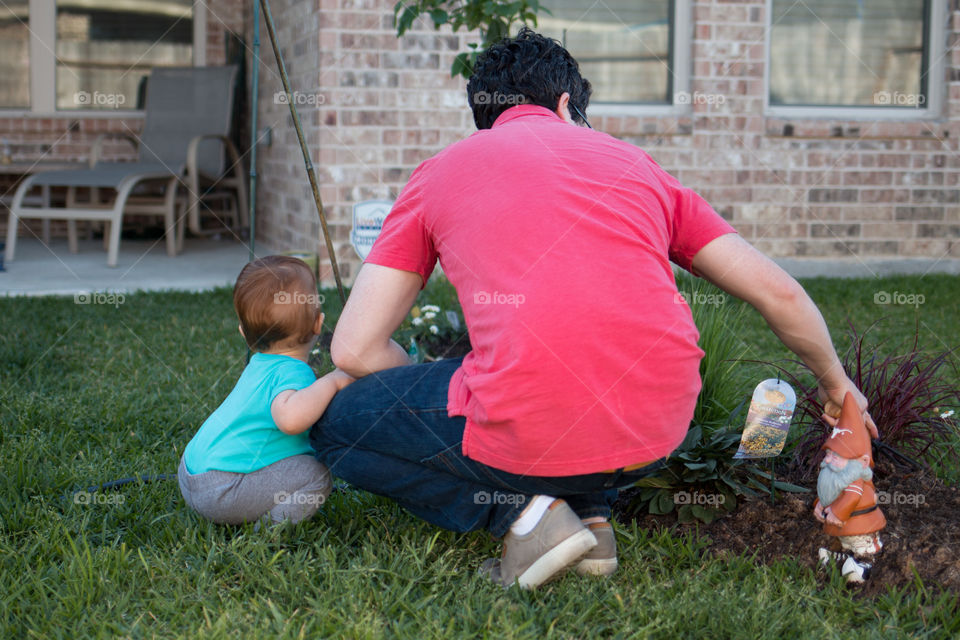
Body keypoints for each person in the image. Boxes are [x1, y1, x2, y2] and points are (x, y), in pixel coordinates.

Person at [309, 28, 876, 589]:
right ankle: (592, 523)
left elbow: (354, 349)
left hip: (533, 423)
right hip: (658, 430)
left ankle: (527, 518)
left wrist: (425, 396)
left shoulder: (443, 170)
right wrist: (835, 384)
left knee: (335, 428)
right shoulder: (638, 164)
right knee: (577, 375)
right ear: (564, 104)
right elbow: (777, 292)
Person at [179, 256, 353, 526]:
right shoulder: (293, 372)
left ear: (242, 332)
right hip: (223, 490)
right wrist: (332, 381)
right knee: (316, 475)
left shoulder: (258, 364)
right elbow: (290, 420)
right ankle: (267, 529)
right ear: (318, 324)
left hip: (190, 471)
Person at [814, 392, 885, 583]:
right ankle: (844, 560)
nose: (828, 460)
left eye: (836, 457)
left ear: (861, 461)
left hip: (861, 526)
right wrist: (820, 504)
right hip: (844, 528)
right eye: (828, 454)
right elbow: (829, 493)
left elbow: (851, 499)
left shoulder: (856, 481)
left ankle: (863, 566)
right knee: (848, 544)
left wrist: (836, 513)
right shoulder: (836, 478)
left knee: (863, 547)